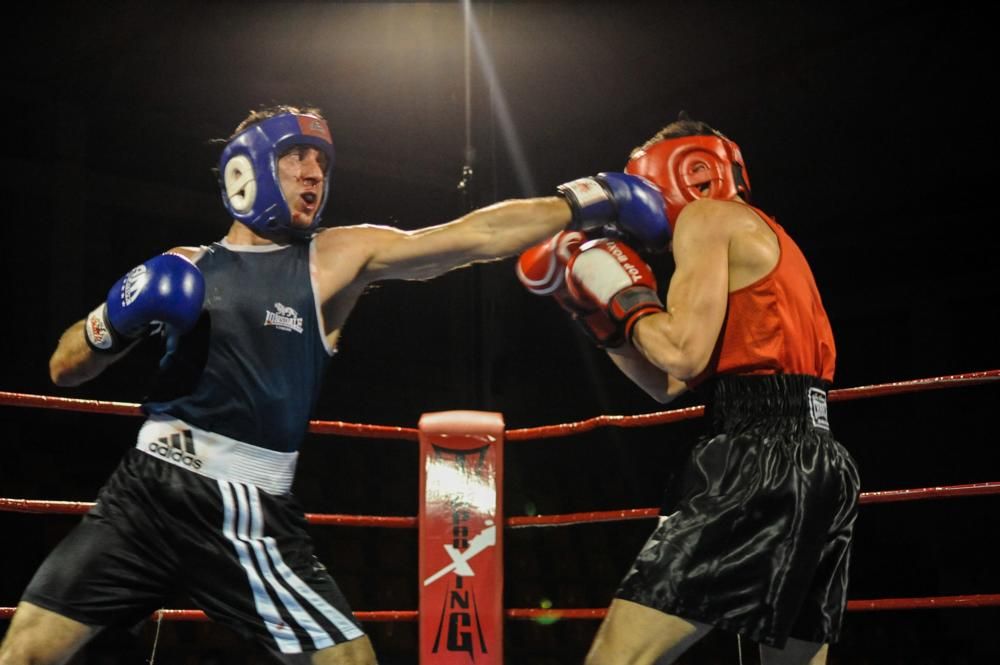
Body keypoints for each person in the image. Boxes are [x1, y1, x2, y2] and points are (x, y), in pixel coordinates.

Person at [0, 105, 669, 665]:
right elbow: (65, 367)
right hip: (141, 496)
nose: (315, 172)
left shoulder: (333, 258)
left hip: (246, 506)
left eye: (322, 160)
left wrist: (581, 201)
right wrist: (112, 320)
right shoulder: (183, 266)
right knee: (25, 649)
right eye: (296, 155)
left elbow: (470, 237)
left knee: (348, 661)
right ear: (246, 169)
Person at [518, 114, 860, 665]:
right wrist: (599, 318)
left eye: (646, 193)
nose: (643, 216)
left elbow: (679, 351)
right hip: (822, 462)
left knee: (616, 658)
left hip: (756, 459)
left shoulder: (708, 216)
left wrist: (623, 292)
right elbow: (667, 381)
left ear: (694, 173)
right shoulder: (769, 235)